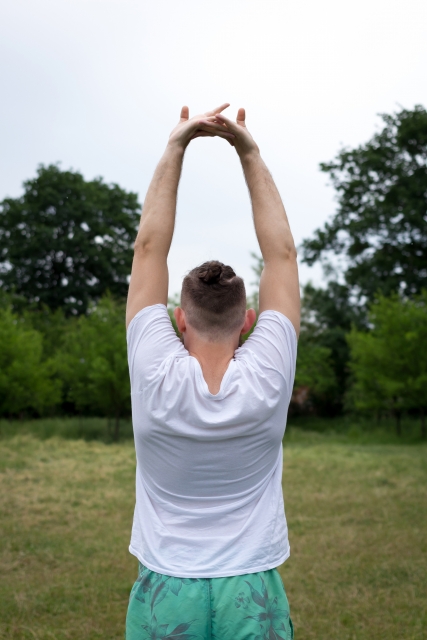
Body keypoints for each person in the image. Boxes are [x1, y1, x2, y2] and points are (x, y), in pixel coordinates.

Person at [125, 103, 300, 640]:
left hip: (166, 587)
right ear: (248, 320)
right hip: (250, 591)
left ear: (179, 319)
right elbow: (283, 257)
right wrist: (249, 151)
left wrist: (176, 145)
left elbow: (149, 247)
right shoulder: (269, 371)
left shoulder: (154, 367)